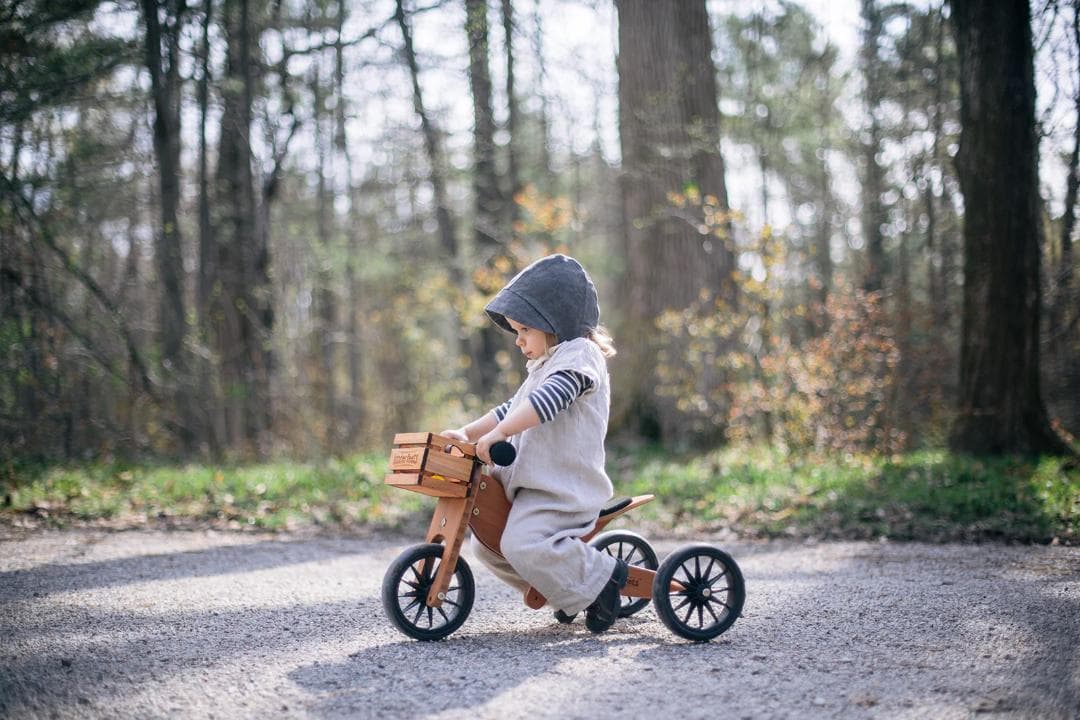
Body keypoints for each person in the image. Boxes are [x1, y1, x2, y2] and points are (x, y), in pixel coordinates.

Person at [442, 254, 627, 633]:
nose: (519, 341)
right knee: (487, 545)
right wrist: (469, 433)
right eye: (516, 332)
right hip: (532, 487)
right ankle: (565, 590)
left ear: (554, 322)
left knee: (523, 543)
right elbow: (512, 408)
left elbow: (546, 402)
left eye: (524, 329)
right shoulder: (546, 363)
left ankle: (603, 579)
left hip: (562, 488)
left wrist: (502, 434)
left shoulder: (579, 358)